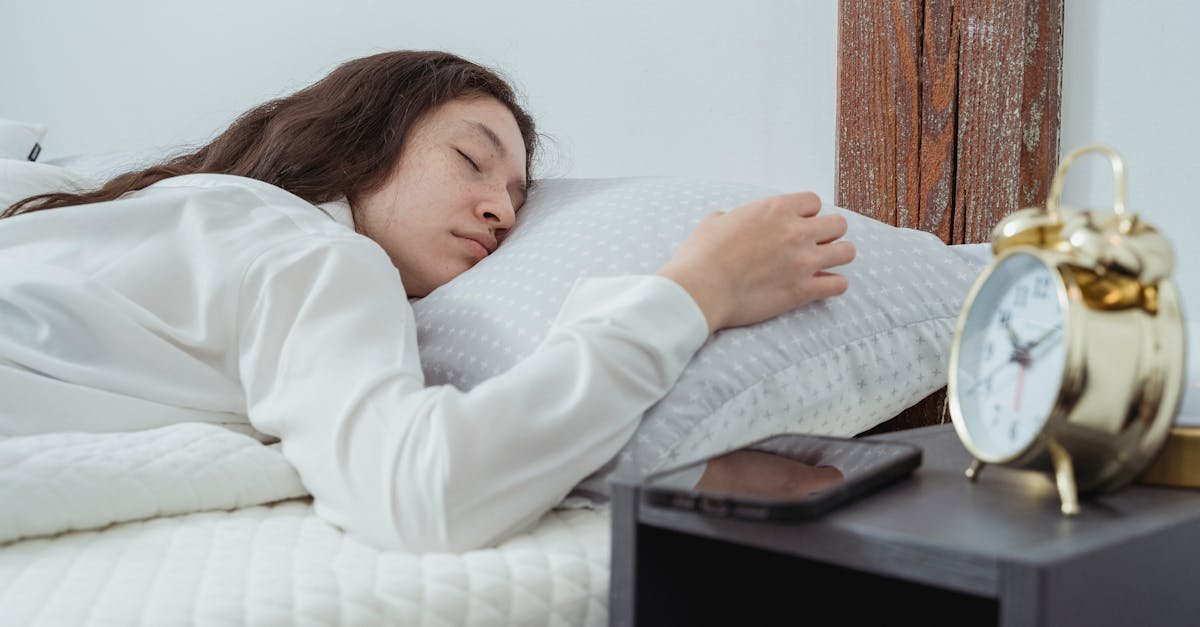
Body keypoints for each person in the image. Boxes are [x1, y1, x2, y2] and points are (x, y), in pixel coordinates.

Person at [0, 50, 855, 552]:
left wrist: (625, 468)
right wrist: (694, 290)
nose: (502, 209)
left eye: (520, 198)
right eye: (472, 160)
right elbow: (422, 487)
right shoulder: (308, 254)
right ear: (361, 138)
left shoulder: (152, 206)